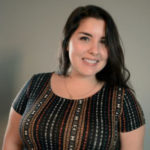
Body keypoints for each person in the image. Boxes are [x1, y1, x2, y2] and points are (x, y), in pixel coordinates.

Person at [3, 5, 145, 150]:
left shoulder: (122, 100)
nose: (95, 50)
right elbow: (11, 143)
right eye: (85, 38)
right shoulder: (35, 84)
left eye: (104, 41)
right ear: (66, 42)